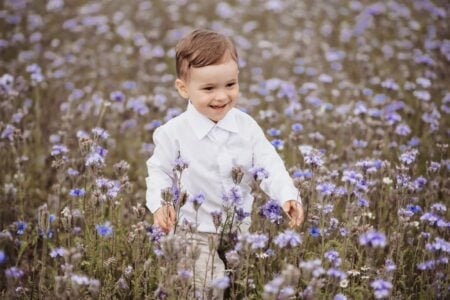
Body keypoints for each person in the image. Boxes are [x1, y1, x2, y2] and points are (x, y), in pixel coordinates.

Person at [145, 28, 304, 298]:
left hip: (238, 228)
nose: (221, 97)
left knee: (242, 285)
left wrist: (287, 195)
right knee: (207, 287)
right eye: (208, 88)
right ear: (183, 88)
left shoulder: (247, 126)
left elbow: (269, 164)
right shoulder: (173, 133)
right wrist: (161, 203)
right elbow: (158, 171)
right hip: (192, 229)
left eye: (230, 85)